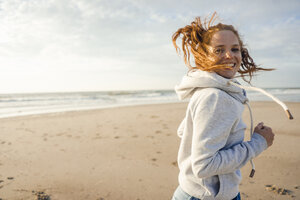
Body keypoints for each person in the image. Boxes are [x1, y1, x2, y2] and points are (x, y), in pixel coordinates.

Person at [171, 13, 275, 200]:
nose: (229, 55)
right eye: (219, 50)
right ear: (205, 56)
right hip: (204, 196)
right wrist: (259, 143)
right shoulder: (215, 96)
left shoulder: (212, 90)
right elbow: (204, 166)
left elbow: (184, 131)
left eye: (235, 49)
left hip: (195, 191)